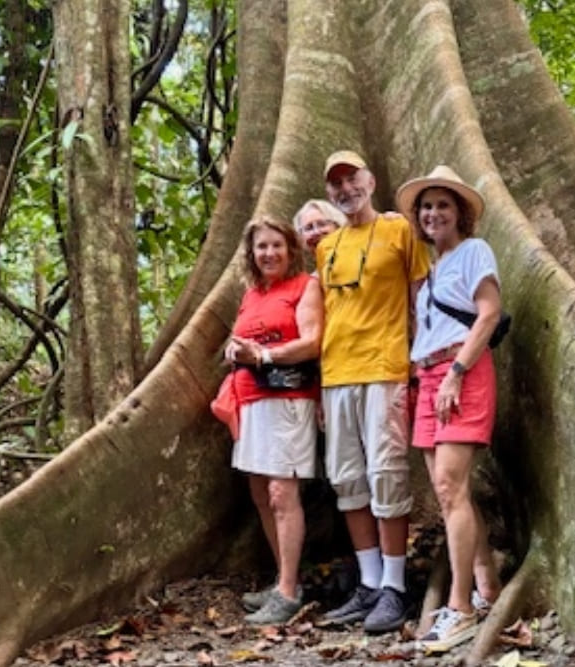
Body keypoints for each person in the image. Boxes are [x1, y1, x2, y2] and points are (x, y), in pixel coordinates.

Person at [315, 150, 431, 633]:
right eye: (336, 184)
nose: (345, 189)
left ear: (371, 179)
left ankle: (396, 588)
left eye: (352, 178)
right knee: (347, 480)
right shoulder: (326, 247)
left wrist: (422, 360)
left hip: (384, 367)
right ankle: (368, 583)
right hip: (336, 374)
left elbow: (421, 295)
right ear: (329, 193)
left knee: (386, 474)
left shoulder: (399, 230)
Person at [395, 165, 502, 652]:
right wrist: (416, 382)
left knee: (449, 486)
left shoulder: (474, 252)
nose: (433, 213)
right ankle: (486, 586)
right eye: (427, 206)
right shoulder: (432, 269)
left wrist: (456, 373)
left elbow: (489, 312)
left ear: (460, 213)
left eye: (443, 204)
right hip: (429, 377)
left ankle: (457, 609)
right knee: (448, 493)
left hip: (462, 374)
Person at [222, 216, 324, 625]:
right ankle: (287, 579)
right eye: (261, 247)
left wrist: (263, 355)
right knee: (261, 492)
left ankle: (287, 591)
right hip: (251, 401)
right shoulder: (251, 294)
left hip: (289, 400)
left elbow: (312, 342)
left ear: (291, 249)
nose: (269, 254)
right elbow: (239, 338)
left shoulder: (305, 287)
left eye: (276, 246)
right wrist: (235, 350)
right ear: (252, 253)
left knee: (284, 492)